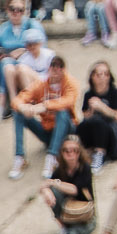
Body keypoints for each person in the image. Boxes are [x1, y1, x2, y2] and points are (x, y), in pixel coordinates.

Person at [10, 53, 80, 181]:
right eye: (53, 66)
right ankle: (19, 157)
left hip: (68, 131)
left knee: (62, 111)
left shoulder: (70, 83)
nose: (56, 70)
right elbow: (18, 99)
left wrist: (44, 106)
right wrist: (23, 107)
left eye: (60, 67)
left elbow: (68, 101)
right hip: (47, 131)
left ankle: (52, 157)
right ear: (49, 68)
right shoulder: (40, 85)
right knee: (17, 112)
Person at [41, 134, 96, 234]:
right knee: (52, 193)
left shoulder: (85, 168)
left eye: (74, 150)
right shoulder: (60, 170)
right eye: (66, 150)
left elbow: (74, 189)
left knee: (77, 232)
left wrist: (54, 183)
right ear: (62, 152)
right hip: (68, 212)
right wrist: (46, 190)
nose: (70, 154)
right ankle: (63, 225)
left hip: (86, 214)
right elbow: (43, 185)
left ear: (79, 152)